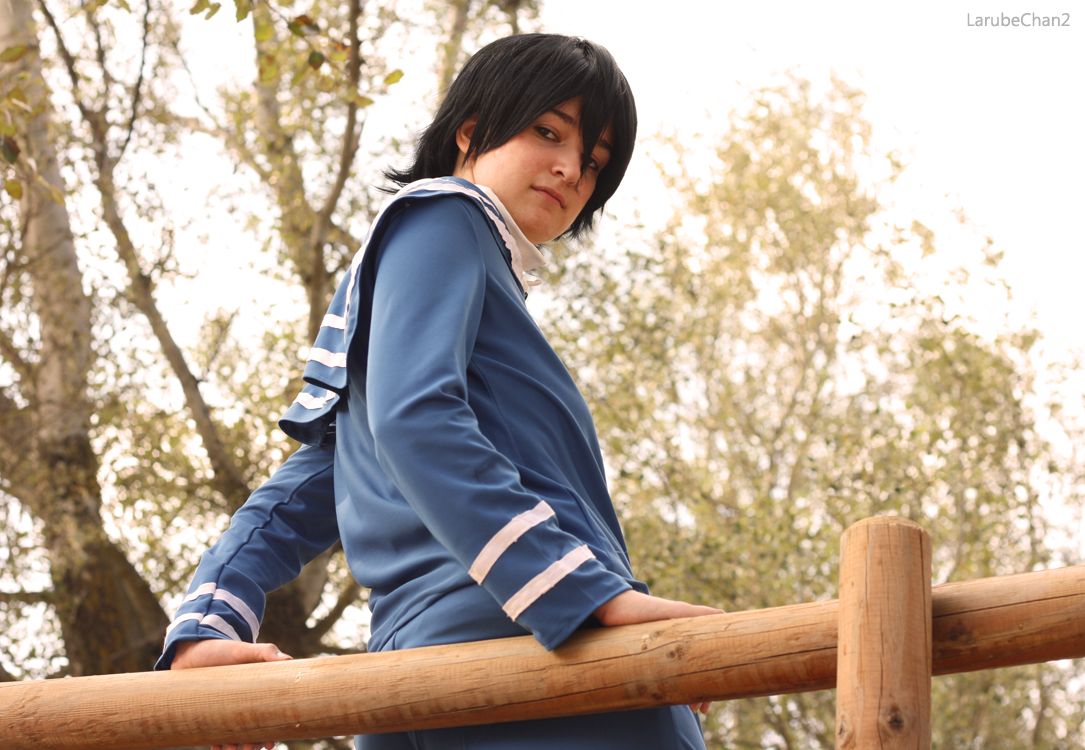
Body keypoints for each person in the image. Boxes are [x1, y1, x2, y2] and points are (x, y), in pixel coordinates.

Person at [158, 33, 721, 750]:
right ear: (470, 129)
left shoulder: (438, 280)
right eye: (549, 132)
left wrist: (206, 624)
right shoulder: (446, 215)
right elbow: (415, 421)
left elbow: (314, 483)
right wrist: (586, 595)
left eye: (594, 162)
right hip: (547, 657)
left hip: (411, 683)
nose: (570, 169)